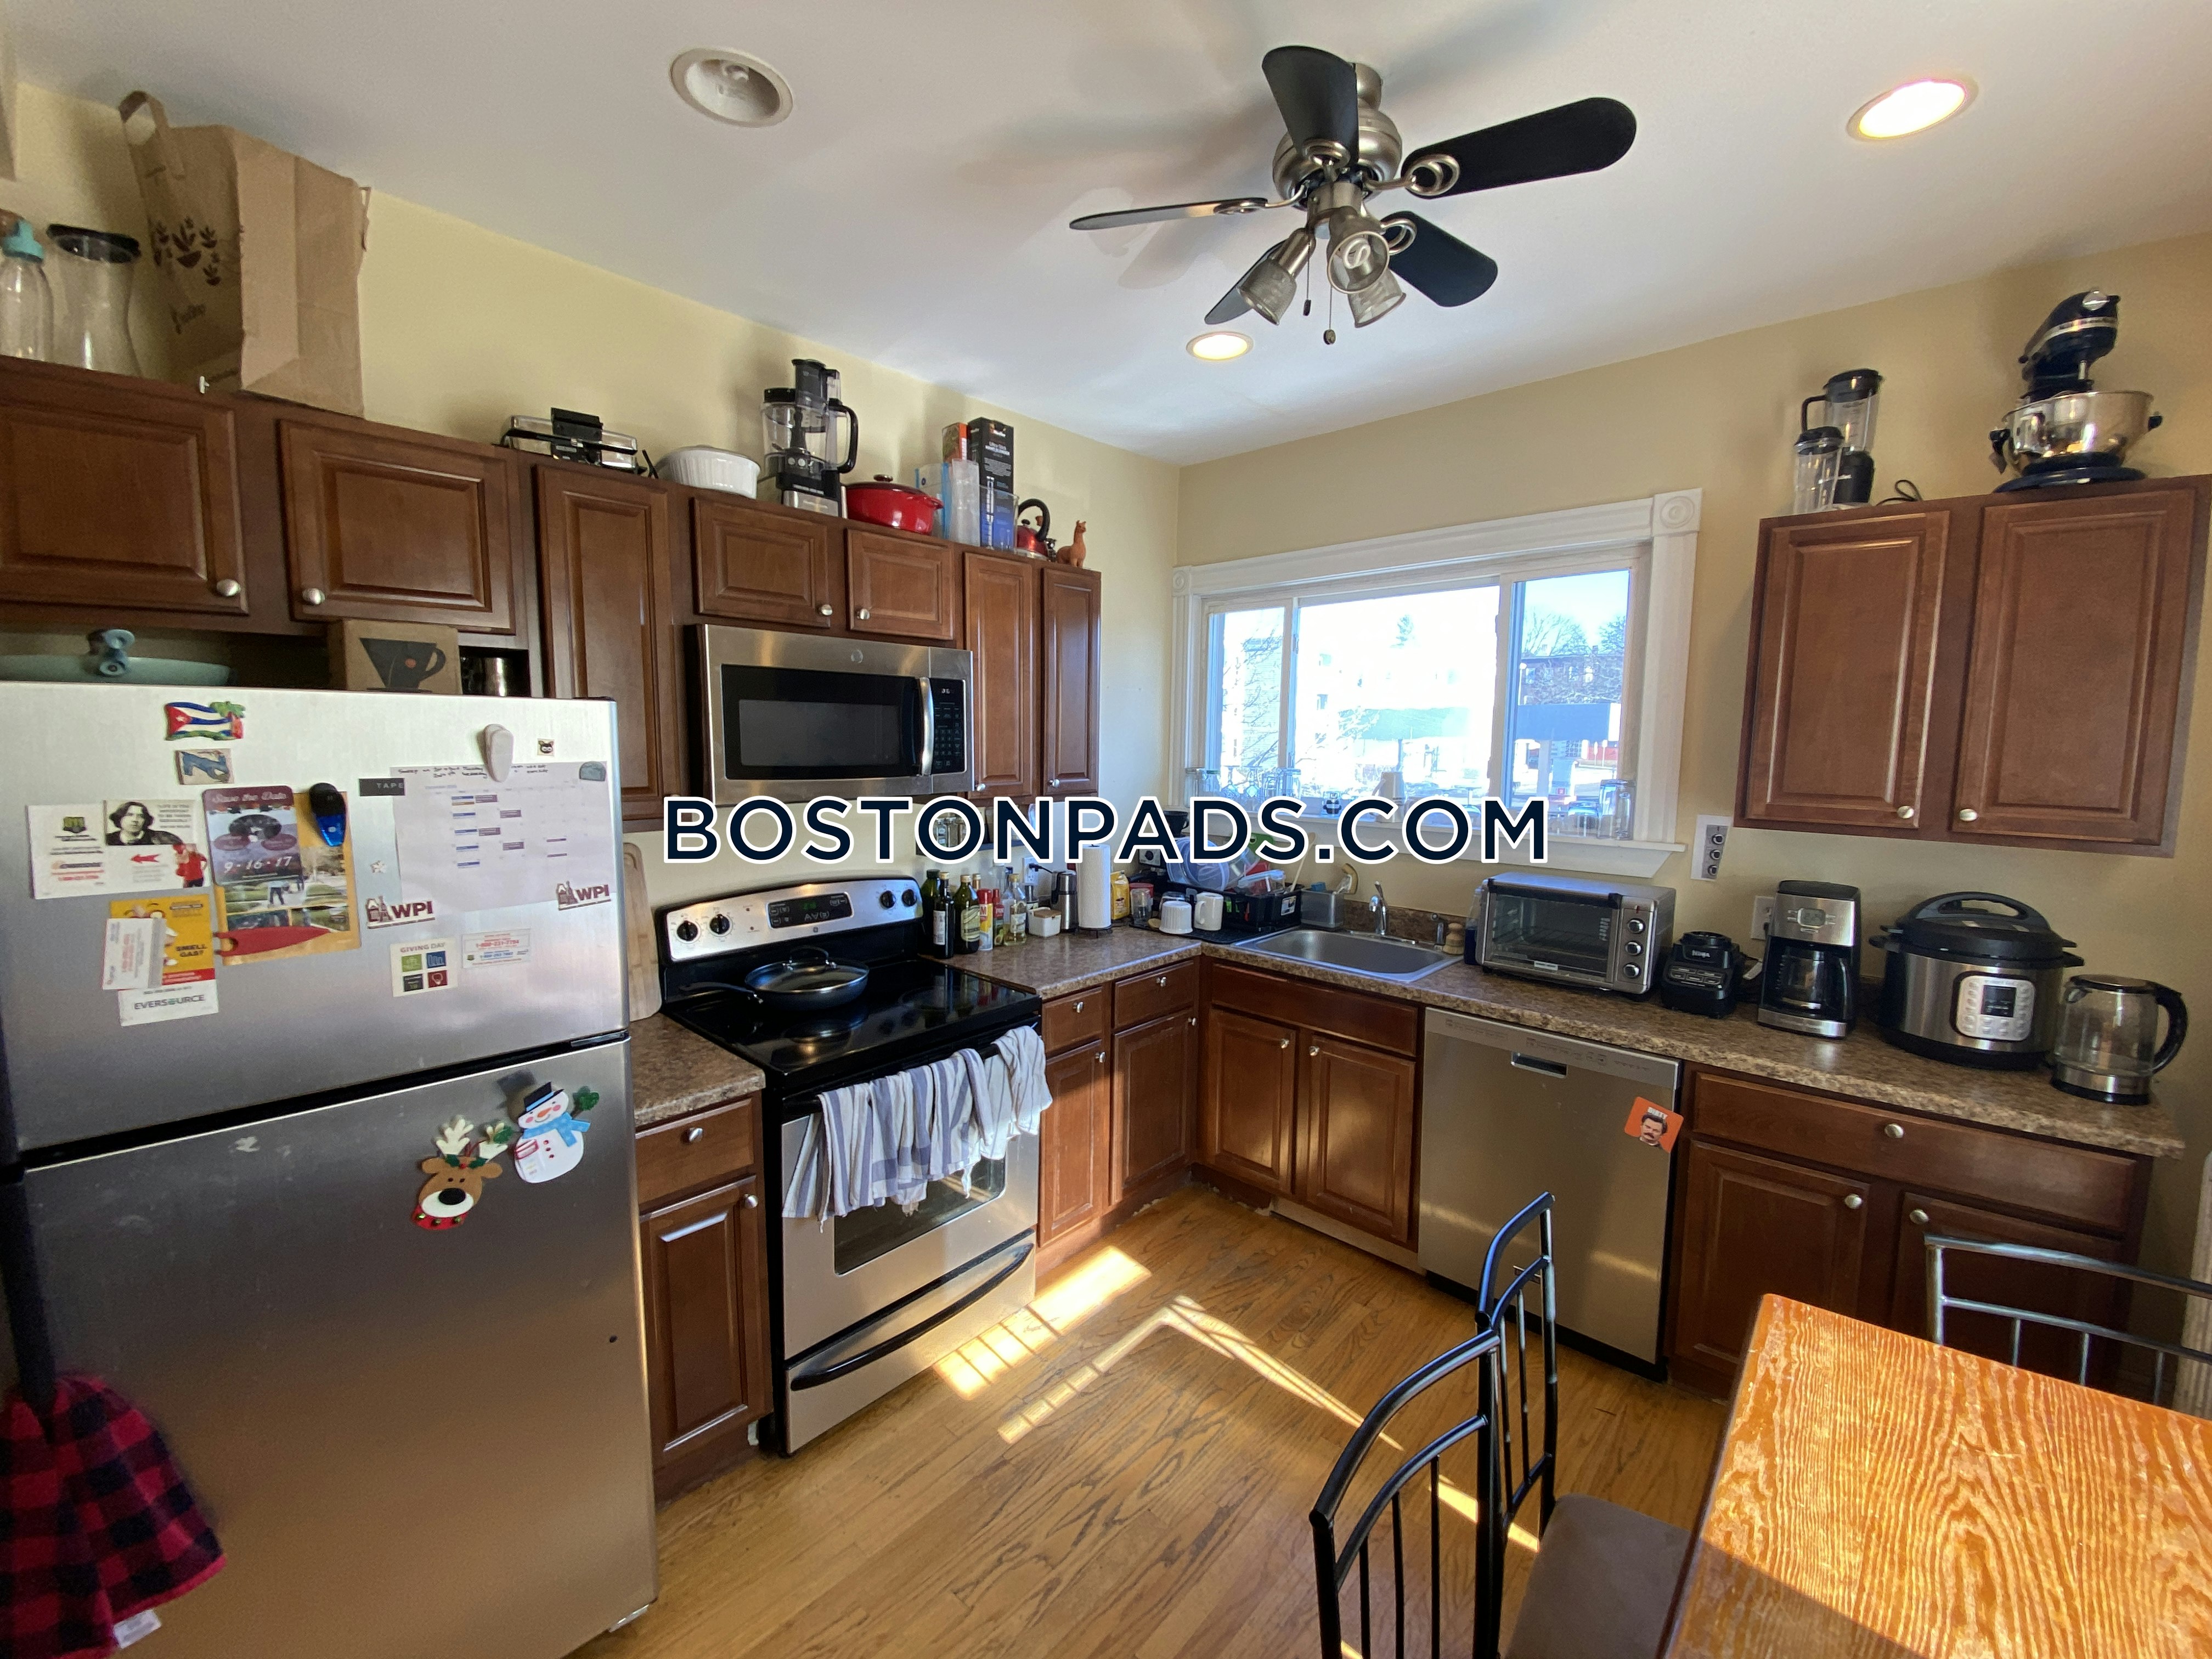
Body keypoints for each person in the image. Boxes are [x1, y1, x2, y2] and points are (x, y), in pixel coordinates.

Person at [106, 801, 181, 847]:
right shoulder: (109, 839)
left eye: (141, 816)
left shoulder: (164, 839)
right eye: (129, 815)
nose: (135, 820)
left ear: (146, 820)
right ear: (119, 818)